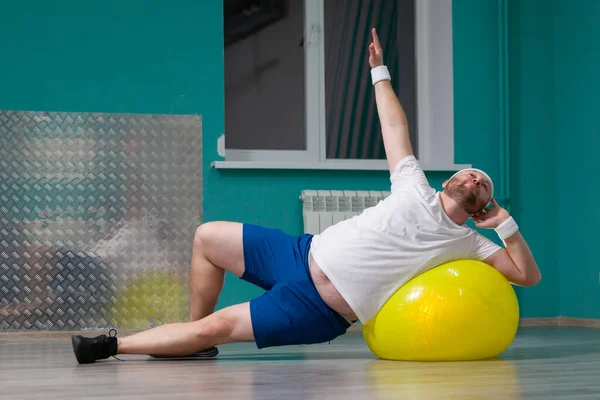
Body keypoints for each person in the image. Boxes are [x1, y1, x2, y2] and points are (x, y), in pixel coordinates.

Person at [71, 28, 541, 364]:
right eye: (471, 173)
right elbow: (393, 126)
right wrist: (380, 73)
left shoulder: (471, 245)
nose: (476, 178)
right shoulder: (414, 185)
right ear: (448, 182)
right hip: (298, 253)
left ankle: (113, 346)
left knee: (219, 326)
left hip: (318, 310)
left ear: (481, 205)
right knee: (206, 237)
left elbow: (527, 276)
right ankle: (195, 339)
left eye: (484, 183)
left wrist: (503, 224)